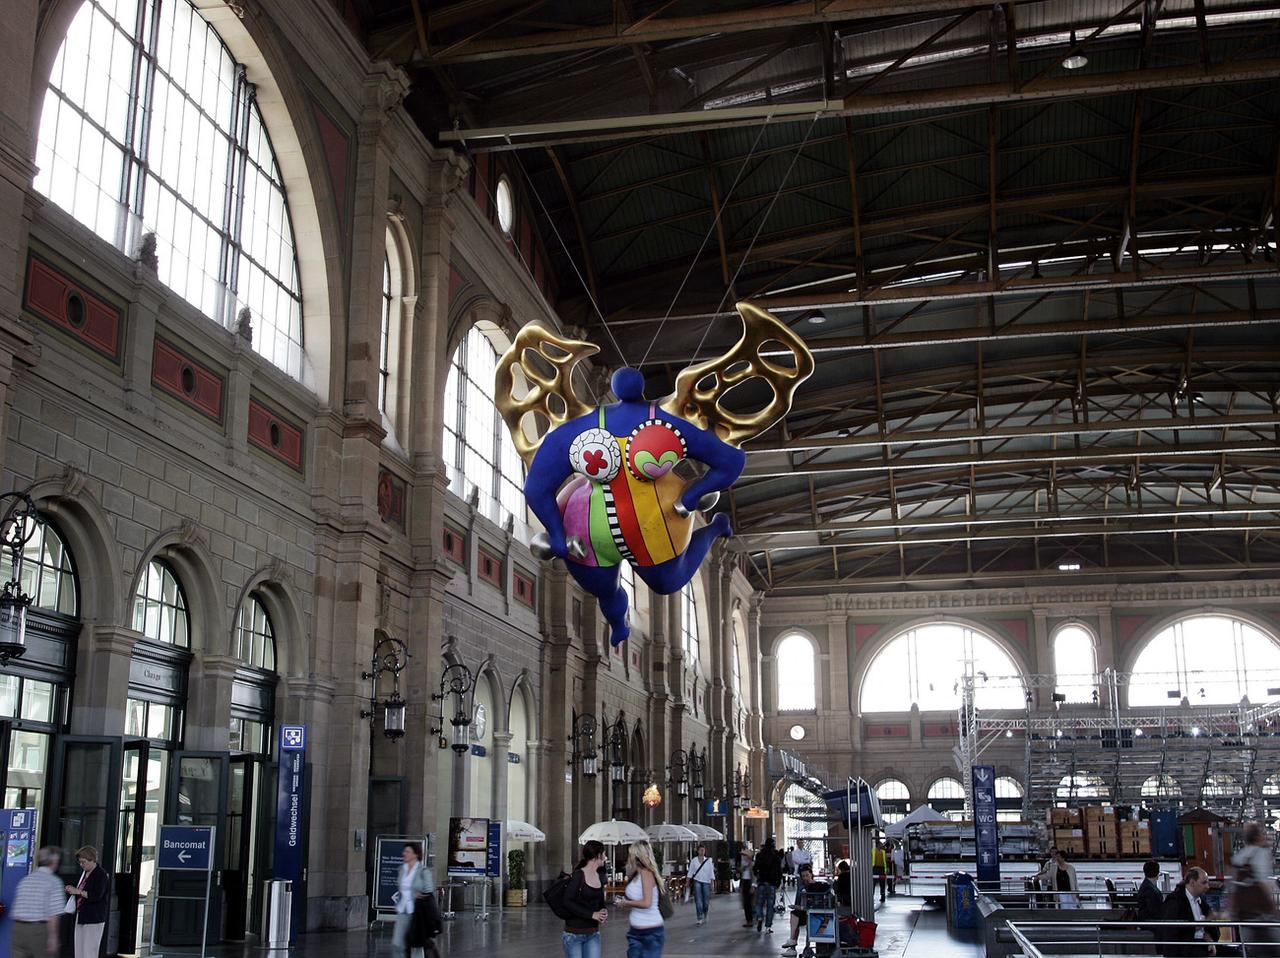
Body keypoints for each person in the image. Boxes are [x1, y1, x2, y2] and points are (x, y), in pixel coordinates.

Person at [1229, 822, 1280, 955]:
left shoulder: (1239, 856)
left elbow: (1232, 887)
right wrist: (1274, 909)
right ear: (1258, 837)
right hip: (1262, 914)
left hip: (1244, 915)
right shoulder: (1260, 853)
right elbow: (1263, 883)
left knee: (1253, 950)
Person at [9, 845, 65, 958]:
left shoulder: (25, 880)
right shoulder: (54, 882)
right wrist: (53, 937)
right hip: (39, 931)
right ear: (54, 862)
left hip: (18, 929)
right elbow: (54, 914)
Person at [614, 840, 665, 958]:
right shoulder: (636, 874)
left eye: (630, 854)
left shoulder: (646, 874)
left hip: (650, 932)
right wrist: (624, 902)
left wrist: (626, 903)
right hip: (635, 932)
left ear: (636, 856)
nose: (628, 857)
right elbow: (636, 899)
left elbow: (647, 903)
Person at [562, 840, 610, 958]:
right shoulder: (578, 875)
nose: (605, 857)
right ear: (598, 855)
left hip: (593, 933)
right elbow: (567, 901)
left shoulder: (600, 876)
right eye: (604, 854)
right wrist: (592, 914)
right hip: (574, 934)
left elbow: (599, 901)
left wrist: (603, 910)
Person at [1163, 867, 1221, 957]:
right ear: (1192, 883)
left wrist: (1210, 940)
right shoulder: (1175, 901)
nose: (1207, 887)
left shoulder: (1202, 902)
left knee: (1235, 953)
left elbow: (1211, 930)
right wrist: (1202, 924)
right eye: (1204, 883)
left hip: (1202, 944)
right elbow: (1173, 931)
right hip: (1185, 947)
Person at [65, 846, 110, 958]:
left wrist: (78, 892)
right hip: (81, 915)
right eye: (80, 862)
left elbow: (96, 895)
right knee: (79, 949)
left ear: (92, 860)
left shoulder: (101, 875)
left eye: (83, 862)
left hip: (94, 918)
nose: (81, 865)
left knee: (89, 950)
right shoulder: (84, 875)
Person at [391, 842, 434, 958]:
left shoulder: (423, 871)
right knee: (397, 943)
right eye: (404, 851)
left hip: (417, 913)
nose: (404, 853)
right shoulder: (402, 869)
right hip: (402, 911)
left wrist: (417, 894)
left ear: (415, 854)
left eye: (407, 851)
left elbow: (429, 890)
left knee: (416, 943)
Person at [782, 863, 829, 953]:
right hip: (804, 911)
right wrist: (798, 907)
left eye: (807, 875)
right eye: (803, 876)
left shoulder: (819, 885)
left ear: (811, 874)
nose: (805, 878)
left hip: (815, 912)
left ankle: (796, 944)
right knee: (795, 915)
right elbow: (799, 903)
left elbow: (819, 902)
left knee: (800, 917)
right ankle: (792, 942)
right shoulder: (801, 888)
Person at [753, 837, 783, 933]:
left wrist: (758, 875)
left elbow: (755, 868)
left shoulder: (759, 855)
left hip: (761, 882)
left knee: (759, 903)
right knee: (770, 905)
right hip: (772, 884)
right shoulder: (776, 856)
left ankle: (760, 917)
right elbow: (779, 871)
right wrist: (778, 882)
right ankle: (768, 927)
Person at [1136, 859, 1166, 934]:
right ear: (1157, 873)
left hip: (1149, 921)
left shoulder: (1147, 886)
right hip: (1150, 923)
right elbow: (1154, 910)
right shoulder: (1149, 889)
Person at [687, 843, 714, 925]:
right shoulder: (694, 861)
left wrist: (712, 882)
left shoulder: (708, 861)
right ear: (698, 851)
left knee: (706, 900)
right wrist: (687, 881)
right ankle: (699, 917)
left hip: (706, 881)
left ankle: (705, 912)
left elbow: (711, 872)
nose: (702, 852)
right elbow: (690, 871)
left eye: (703, 850)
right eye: (701, 850)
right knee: (698, 900)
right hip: (697, 881)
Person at [737, 845, 756, 928]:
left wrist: (753, 886)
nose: (743, 857)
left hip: (750, 883)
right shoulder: (744, 865)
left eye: (744, 855)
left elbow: (755, 876)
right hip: (744, 883)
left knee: (751, 903)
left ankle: (752, 919)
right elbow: (740, 872)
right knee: (746, 903)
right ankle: (748, 920)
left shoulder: (753, 865)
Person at [872, 840, 889, 904]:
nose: (882, 845)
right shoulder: (873, 851)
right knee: (873, 883)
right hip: (875, 868)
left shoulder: (883, 852)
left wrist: (886, 868)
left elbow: (885, 861)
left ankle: (883, 896)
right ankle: (872, 896)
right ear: (878, 845)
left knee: (882, 884)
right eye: (881, 844)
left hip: (882, 869)